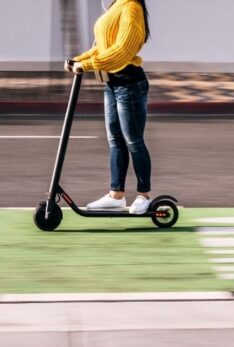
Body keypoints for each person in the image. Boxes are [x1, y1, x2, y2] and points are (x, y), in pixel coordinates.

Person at [66, 0, 154, 214]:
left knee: (133, 141)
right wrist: (77, 59)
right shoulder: (117, 5)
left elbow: (122, 51)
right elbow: (100, 48)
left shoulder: (131, 7)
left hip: (129, 84)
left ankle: (144, 196)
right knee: (115, 140)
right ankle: (116, 195)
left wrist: (86, 65)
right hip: (111, 83)